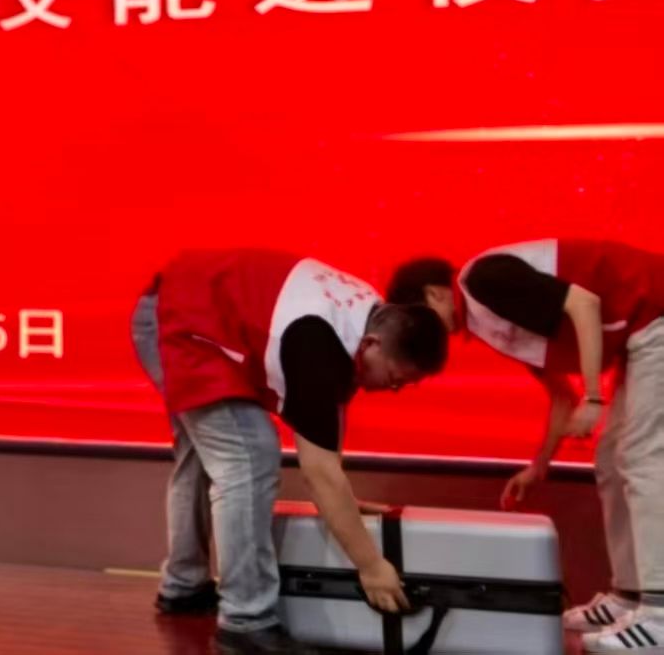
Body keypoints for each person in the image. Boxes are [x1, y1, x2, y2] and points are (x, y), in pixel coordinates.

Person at [132, 249, 449, 655]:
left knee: (203, 457)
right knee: (249, 457)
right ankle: (246, 622)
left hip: (186, 303)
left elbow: (329, 426)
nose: (390, 389)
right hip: (179, 320)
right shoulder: (319, 344)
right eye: (393, 378)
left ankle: (183, 586)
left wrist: (343, 500)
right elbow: (320, 474)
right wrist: (371, 566)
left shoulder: (367, 318)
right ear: (372, 344)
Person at [389, 241, 664, 651]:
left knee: (642, 458)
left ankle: (659, 614)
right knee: (610, 462)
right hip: (639, 335)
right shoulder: (485, 321)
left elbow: (585, 305)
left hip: (654, 311)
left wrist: (594, 398)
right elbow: (561, 395)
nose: (425, 334)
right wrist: (539, 466)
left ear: (433, 293)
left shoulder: (483, 280)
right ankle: (628, 595)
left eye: (418, 317)